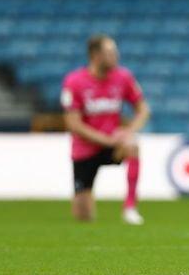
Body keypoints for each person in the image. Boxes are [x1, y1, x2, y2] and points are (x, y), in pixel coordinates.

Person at [61, 34, 150, 225]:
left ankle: (130, 208)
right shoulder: (74, 81)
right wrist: (105, 139)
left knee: (132, 146)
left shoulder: (123, 77)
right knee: (83, 215)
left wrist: (128, 131)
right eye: (110, 52)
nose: (116, 56)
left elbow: (143, 110)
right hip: (85, 149)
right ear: (95, 55)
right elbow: (73, 124)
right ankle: (84, 199)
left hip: (113, 144)